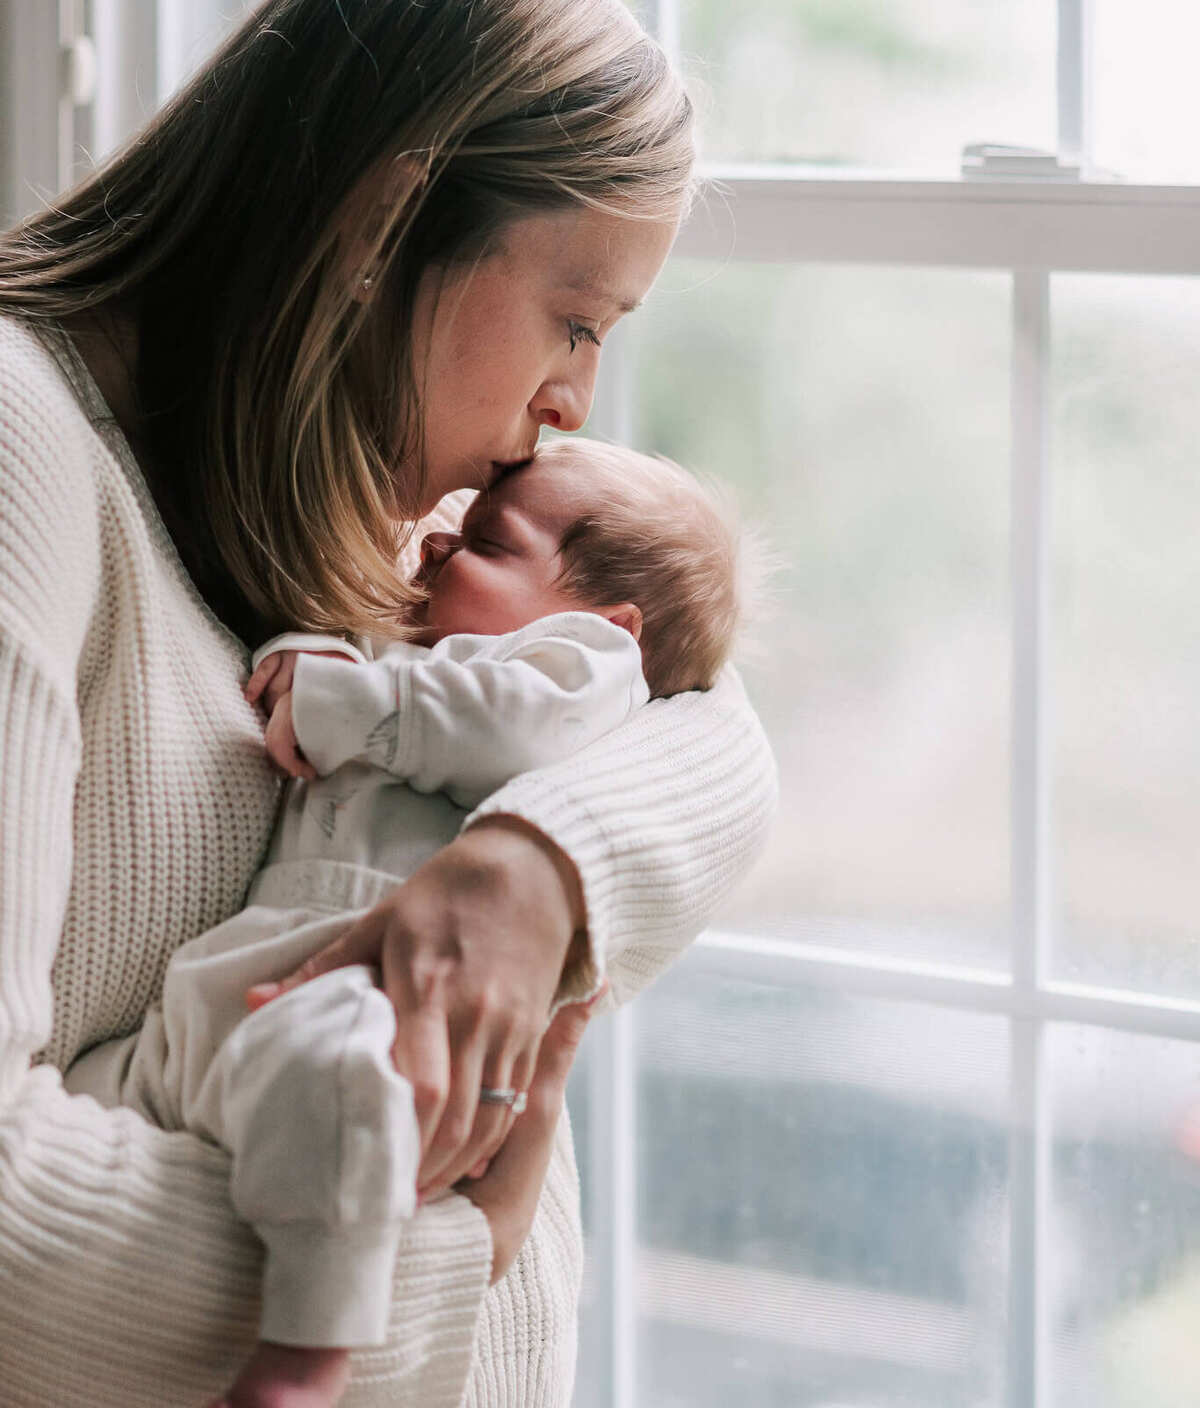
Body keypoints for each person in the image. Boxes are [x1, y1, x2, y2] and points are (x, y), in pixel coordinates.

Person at [0, 0, 777, 1408]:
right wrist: (447, 1266)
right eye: (575, 318)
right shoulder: (31, 467)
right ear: (381, 222)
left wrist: (538, 869)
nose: (572, 403)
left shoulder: (353, 501)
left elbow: (695, 706)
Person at [66, 437, 747, 1408]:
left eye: (487, 542)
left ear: (609, 624)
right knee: (96, 1092)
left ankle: (309, 1351)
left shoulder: (575, 671)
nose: (433, 547)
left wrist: (336, 691)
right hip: (234, 984)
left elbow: (510, 722)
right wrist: (305, 660)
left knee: (338, 1078)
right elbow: (331, 675)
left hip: (368, 1000)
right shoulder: (415, 652)